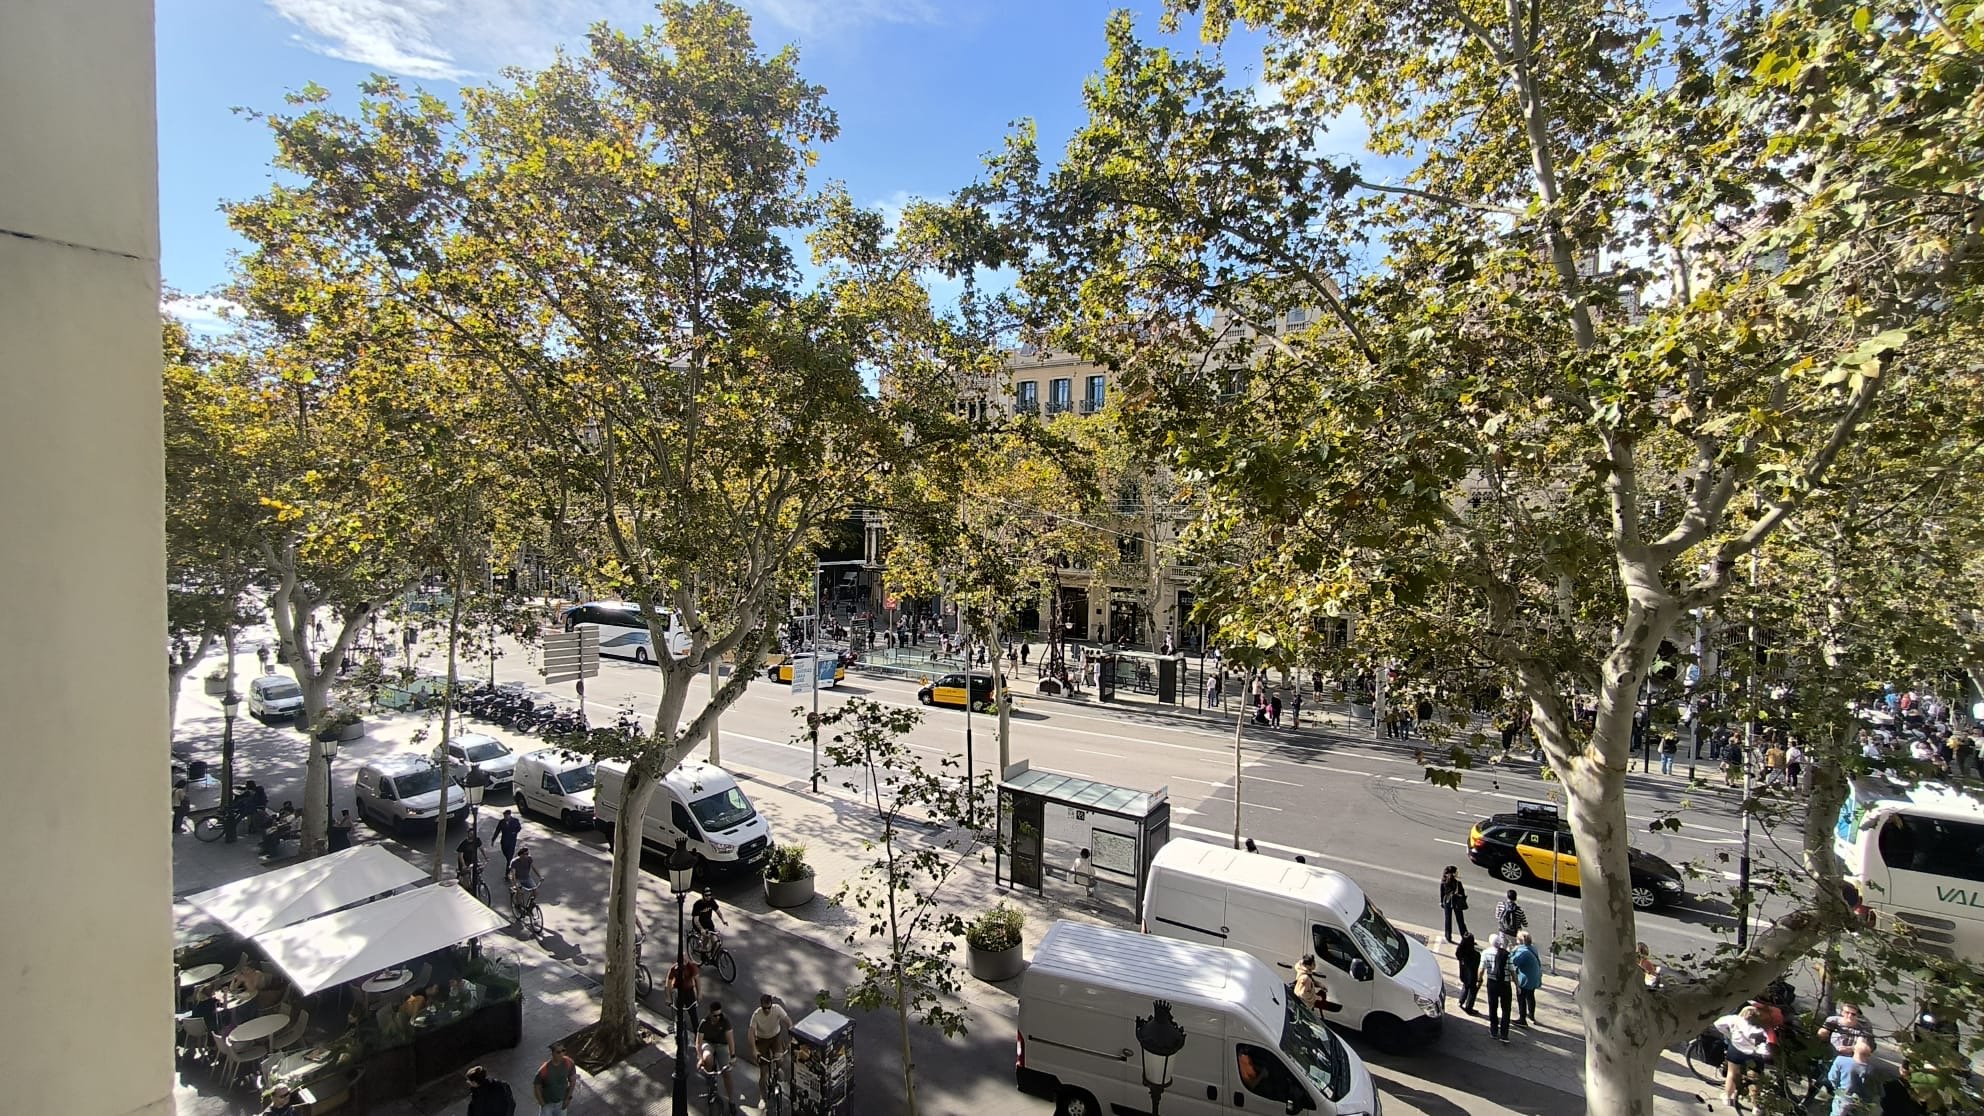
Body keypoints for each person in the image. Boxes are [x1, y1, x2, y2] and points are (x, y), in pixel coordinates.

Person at [1713, 1005, 1773, 1107]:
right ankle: (1756, 1106)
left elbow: (1718, 1024)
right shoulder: (1760, 1030)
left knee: (1732, 1073)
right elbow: (1765, 1050)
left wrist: (1729, 1034)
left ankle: (1728, 1097)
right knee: (1754, 1080)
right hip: (1753, 1055)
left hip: (1736, 1050)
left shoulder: (1735, 1019)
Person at [748, 994, 793, 1105]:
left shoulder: (777, 1009)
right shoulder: (756, 1015)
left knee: (779, 1058)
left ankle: (778, 1069)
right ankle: (762, 1097)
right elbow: (751, 1032)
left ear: (771, 1005)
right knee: (763, 1074)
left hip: (775, 1038)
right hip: (762, 1040)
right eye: (765, 1008)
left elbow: (788, 1022)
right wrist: (754, 1050)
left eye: (769, 1007)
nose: (767, 1010)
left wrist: (791, 1037)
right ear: (761, 1006)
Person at [698, 1000, 738, 1105]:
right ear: (710, 1014)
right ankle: (710, 1082)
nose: (718, 1018)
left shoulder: (725, 1021)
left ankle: (731, 1101)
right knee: (707, 1058)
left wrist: (733, 1056)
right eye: (715, 1016)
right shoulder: (704, 1022)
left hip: (722, 1045)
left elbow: (730, 1039)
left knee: (727, 1072)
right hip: (708, 1043)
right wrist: (700, 1058)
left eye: (719, 1015)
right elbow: (698, 1042)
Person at [1825, 1037, 1878, 1115]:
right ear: (1868, 1054)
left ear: (1854, 1049)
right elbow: (1870, 1088)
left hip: (1843, 1094)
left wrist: (1837, 1089)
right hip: (1859, 1099)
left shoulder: (1840, 1060)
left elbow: (1832, 1077)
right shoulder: (1870, 1069)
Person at [1480, 932, 1515, 1043]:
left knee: (1493, 1006)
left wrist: (1479, 980)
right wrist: (1517, 985)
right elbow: (1512, 971)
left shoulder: (1486, 953)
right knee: (1506, 1009)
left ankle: (1494, 1030)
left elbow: (1481, 969)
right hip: (1505, 983)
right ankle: (1504, 1034)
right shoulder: (1507, 954)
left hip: (1492, 983)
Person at [532, 1041, 579, 1116]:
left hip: (561, 1102)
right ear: (552, 1053)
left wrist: (568, 1099)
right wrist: (543, 1104)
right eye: (558, 1052)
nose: (562, 1054)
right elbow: (536, 1087)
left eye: (563, 1051)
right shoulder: (544, 1070)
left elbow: (573, 1081)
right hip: (548, 1104)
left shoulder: (569, 1063)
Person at [1510, 930, 1543, 1025]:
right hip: (1534, 978)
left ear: (1520, 941)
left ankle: (1522, 1019)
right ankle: (1531, 1015)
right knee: (1530, 996)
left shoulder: (1522, 952)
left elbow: (1512, 962)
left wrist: (1511, 951)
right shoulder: (1532, 948)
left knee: (1521, 997)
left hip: (1525, 979)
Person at [665, 952, 702, 1030]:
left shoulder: (692, 967)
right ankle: (675, 1026)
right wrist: (668, 997)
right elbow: (668, 983)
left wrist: (699, 994)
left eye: (685, 960)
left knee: (693, 1013)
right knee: (677, 1013)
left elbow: (697, 980)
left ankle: (697, 1033)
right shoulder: (674, 969)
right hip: (678, 991)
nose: (684, 963)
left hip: (689, 991)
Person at [1438, 866, 1470, 942]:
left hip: (1447, 901)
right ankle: (1465, 936)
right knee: (1460, 920)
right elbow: (1462, 893)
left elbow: (1442, 893)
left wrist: (1442, 902)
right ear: (1453, 873)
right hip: (1456, 902)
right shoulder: (1458, 883)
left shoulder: (1443, 882)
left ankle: (1448, 936)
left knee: (1447, 920)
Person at [691, 889, 726, 954]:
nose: (708, 897)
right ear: (703, 895)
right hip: (699, 923)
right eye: (706, 895)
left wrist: (723, 920)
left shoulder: (711, 901)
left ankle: (712, 956)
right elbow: (696, 920)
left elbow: (718, 912)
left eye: (710, 895)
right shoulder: (698, 904)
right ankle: (703, 950)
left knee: (715, 941)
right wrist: (701, 929)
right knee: (706, 936)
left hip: (708, 922)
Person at [1455, 933, 1481, 1015]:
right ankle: (1469, 1008)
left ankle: (1461, 1001)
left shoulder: (1460, 953)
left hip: (1463, 974)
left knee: (1465, 986)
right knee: (1472, 991)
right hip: (1472, 976)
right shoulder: (1476, 955)